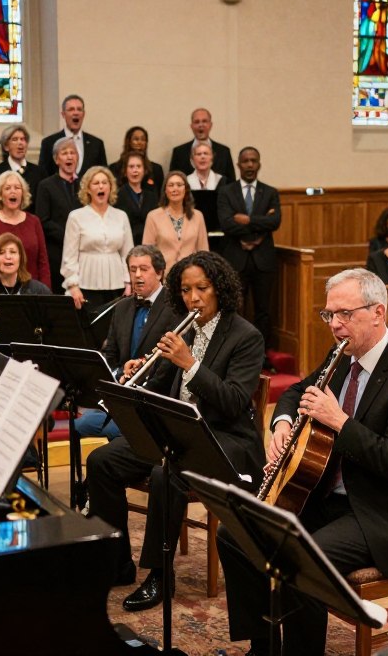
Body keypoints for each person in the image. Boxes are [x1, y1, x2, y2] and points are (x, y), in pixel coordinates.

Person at [219, 268, 388, 656]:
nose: (335, 325)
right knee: (236, 533)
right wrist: (283, 422)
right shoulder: (342, 355)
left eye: (345, 315)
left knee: (301, 559)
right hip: (327, 497)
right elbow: (300, 390)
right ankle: (264, 645)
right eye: (329, 315)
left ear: (378, 313)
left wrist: (339, 422)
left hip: (382, 513)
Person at [86, 251, 265, 610]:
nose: (193, 298)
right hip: (175, 432)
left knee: (165, 472)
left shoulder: (245, 336)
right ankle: (117, 563)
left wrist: (191, 364)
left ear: (221, 289)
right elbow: (161, 388)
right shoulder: (184, 327)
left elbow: (233, 402)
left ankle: (159, 575)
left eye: (202, 288)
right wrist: (137, 378)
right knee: (102, 460)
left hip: (221, 438)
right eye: (185, 290)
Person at [75, 245, 178, 441]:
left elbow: (169, 364)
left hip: (152, 400)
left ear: (159, 272)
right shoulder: (122, 307)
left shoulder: (173, 307)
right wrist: (121, 374)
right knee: (77, 426)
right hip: (119, 396)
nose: (137, 275)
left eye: (144, 269)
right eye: (133, 269)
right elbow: (110, 356)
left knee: (116, 434)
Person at [217, 147, 281, 347]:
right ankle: (235, 350)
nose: (250, 165)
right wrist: (257, 227)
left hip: (263, 260)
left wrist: (247, 220)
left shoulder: (270, 192)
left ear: (259, 164)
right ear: (238, 165)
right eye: (246, 161)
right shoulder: (227, 191)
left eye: (254, 161)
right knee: (235, 309)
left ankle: (262, 354)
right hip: (236, 258)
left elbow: (275, 222)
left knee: (263, 310)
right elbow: (226, 223)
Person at [61, 165, 133, 311]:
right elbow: (70, 256)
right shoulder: (76, 217)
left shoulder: (121, 216)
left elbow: (128, 254)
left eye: (105, 182)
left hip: (117, 286)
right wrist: (73, 286)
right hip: (85, 285)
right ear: (88, 189)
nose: (101, 186)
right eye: (96, 183)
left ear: (110, 187)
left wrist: (129, 283)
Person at [0, 170, 50, 288]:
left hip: (32, 291)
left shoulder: (34, 221)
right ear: (0, 195)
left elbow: (43, 262)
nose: (13, 191)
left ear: (23, 194)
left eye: (17, 188)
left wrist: (45, 293)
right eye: (8, 188)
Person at [35, 137, 83, 292]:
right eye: (64, 153)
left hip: (81, 254)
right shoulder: (46, 185)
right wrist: (69, 236)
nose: (69, 156)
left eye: (73, 153)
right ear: (56, 159)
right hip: (56, 253)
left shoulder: (84, 185)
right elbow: (43, 220)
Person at [142, 171, 209, 272]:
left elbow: (204, 251)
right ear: (165, 190)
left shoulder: (198, 216)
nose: (175, 189)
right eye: (171, 185)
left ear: (186, 189)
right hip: (164, 276)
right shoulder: (153, 216)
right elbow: (147, 253)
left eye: (179, 185)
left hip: (192, 276)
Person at [0, 232, 52, 307]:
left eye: (13, 252)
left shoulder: (39, 291)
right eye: (1, 252)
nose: (8, 257)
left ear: (21, 258)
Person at [39, 94, 107, 179]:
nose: (76, 113)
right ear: (63, 114)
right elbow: (43, 176)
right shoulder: (49, 143)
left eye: (79, 109)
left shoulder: (97, 144)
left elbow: (103, 175)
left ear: (84, 114)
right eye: (71, 109)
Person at [168, 108, 235, 183]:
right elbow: (172, 181)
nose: (201, 125)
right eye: (197, 122)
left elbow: (231, 184)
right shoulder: (179, 152)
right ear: (191, 126)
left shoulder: (224, 152)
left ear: (210, 125)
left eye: (204, 121)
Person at [0, 124, 43, 202]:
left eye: (23, 139)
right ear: (6, 146)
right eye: (15, 139)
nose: (20, 143)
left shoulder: (39, 172)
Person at [114, 151, 159, 245]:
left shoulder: (152, 195)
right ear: (125, 171)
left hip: (149, 246)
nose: (135, 170)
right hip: (125, 244)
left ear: (144, 170)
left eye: (139, 166)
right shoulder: (117, 196)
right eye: (131, 167)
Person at [356, 0, 388, 76]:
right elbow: (360, 2)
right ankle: (363, 64)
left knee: (376, 40)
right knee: (365, 38)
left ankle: (375, 63)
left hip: (378, 17)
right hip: (366, 16)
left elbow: (384, 0)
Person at [108, 126, 164, 193]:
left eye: (143, 139)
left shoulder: (156, 169)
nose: (139, 142)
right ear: (128, 142)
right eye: (136, 139)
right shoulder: (115, 168)